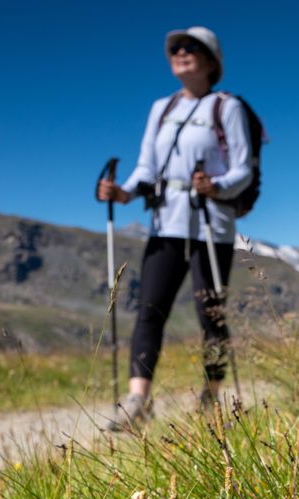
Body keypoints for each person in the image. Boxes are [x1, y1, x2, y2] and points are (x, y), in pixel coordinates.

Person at [97, 26, 252, 430]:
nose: (181, 53)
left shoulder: (226, 107)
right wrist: (125, 192)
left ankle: (213, 399)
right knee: (150, 309)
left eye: (191, 48)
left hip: (210, 222)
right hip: (166, 221)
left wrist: (217, 186)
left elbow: (243, 169)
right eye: (175, 48)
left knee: (210, 314)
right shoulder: (161, 109)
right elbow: (147, 166)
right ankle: (138, 400)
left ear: (211, 61)